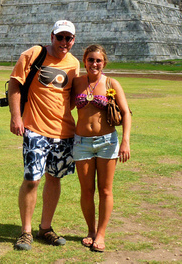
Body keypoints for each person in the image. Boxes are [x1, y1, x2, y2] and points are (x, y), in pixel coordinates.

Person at [8, 20, 80, 251]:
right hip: (35, 129)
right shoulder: (34, 54)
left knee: (54, 178)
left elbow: (74, 98)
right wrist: (16, 117)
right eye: (60, 37)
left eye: (69, 38)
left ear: (74, 40)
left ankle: (45, 228)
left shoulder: (74, 64)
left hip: (63, 132)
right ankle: (26, 231)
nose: (64, 42)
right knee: (32, 179)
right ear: (52, 36)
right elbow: (15, 84)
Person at [72, 44, 131, 253]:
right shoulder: (77, 83)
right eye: (90, 60)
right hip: (81, 143)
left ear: (104, 63)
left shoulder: (111, 83)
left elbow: (126, 113)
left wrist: (125, 141)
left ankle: (101, 233)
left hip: (107, 142)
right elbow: (60, 105)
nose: (94, 64)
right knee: (87, 191)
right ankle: (90, 230)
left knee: (105, 190)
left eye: (98, 60)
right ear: (84, 61)